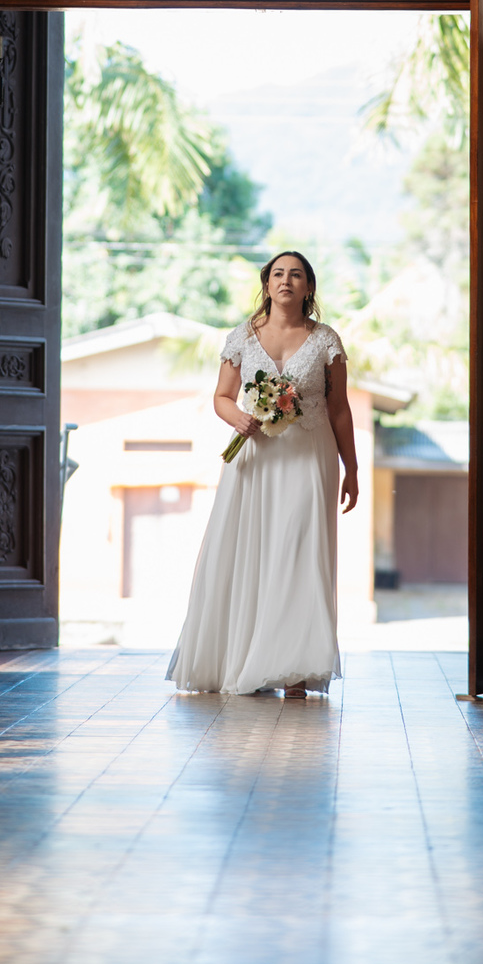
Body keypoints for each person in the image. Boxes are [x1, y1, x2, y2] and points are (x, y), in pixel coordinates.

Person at [167, 251, 359, 700]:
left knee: (299, 555)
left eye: (296, 274)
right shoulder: (241, 337)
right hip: (255, 458)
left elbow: (339, 408)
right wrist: (237, 419)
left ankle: (294, 669)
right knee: (249, 553)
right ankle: (245, 658)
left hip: (310, 457)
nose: (286, 281)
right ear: (266, 284)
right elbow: (221, 396)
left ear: (309, 287)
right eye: (278, 274)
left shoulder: (326, 341)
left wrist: (352, 468)